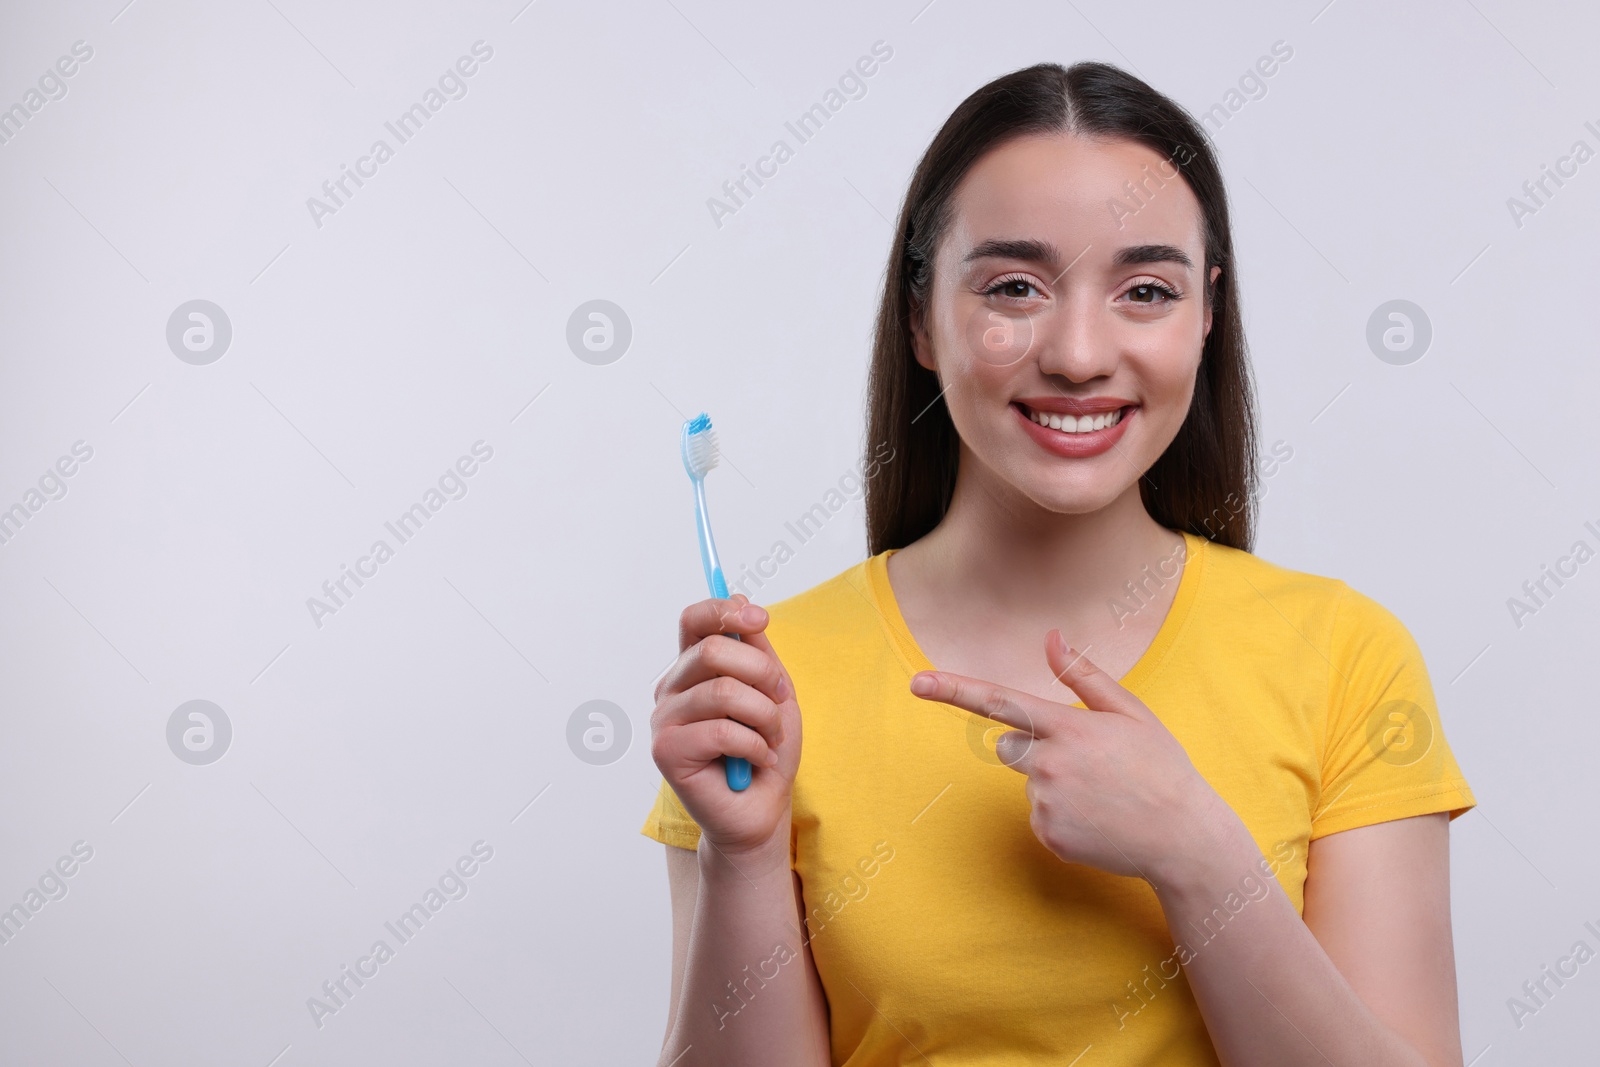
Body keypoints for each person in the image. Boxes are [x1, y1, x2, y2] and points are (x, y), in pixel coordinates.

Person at [641, 59, 1475, 1066]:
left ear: (1205, 315)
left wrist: (1198, 854)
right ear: (919, 316)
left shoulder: (1344, 655)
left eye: (1146, 289)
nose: (1079, 351)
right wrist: (743, 855)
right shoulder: (768, 686)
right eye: (1014, 287)